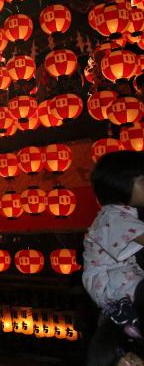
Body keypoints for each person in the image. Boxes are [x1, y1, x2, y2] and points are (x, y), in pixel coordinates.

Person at [83, 152, 144, 365]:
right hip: (112, 281)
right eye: (143, 181)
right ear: (122, 186)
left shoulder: (127, 214)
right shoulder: (113, 216)